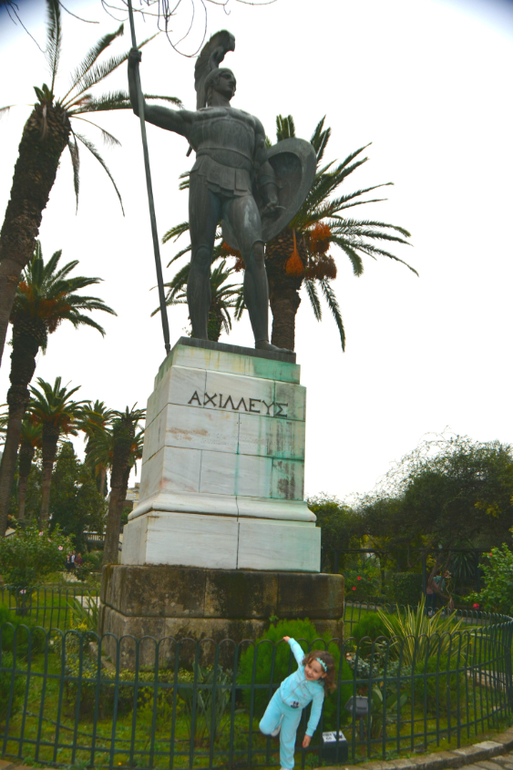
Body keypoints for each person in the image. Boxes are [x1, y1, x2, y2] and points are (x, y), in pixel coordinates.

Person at [128, 49, 291, 355]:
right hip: (205, 178)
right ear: (212, 84)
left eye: (234, 78)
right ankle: (200, 336)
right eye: (226, 76)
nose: (233, 81)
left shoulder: (251, 122)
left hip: (241, 187)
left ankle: (262, 342)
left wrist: (270, 196)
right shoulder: (196, 119)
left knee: (255, 252)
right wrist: (132, 69)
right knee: (202, 254)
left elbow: (263, 163)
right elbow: (141, 108)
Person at [259, 636, 336, 770]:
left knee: (287, 741)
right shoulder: (301, 665)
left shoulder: (318, 691)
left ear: (323, 675)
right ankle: (277, 722)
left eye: (315, 671)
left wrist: (309, 733)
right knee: (264, 728)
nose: (309, 672)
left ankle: (287, 766)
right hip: (279, 699)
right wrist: (291, 641)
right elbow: (297, 650)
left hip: (293, 711)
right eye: (309, 666)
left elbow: (316, 712)